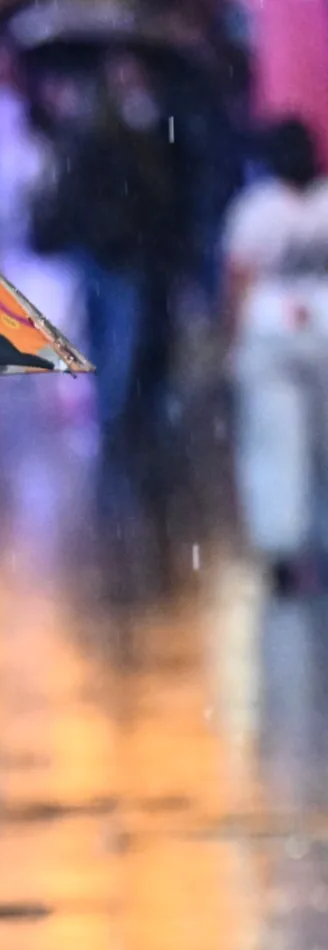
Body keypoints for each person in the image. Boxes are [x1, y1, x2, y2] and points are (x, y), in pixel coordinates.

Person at [223, 118, 328, 595]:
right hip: (323, 330)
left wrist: (232, 341)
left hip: (270, 332)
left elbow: (239, 278)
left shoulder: (256, 209)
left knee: (277, 444)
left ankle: (284, 549)